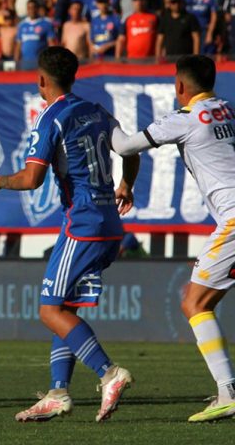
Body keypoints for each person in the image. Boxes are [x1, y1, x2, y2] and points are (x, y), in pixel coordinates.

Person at [0, 46, 139, 422]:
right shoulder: (97, 111)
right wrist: (126, 184)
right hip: (110, 225)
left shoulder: (52, 117)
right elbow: (131, 149)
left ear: (41, 80)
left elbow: (32, 178)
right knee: (64, 309)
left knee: (49, 309)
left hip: (81, 223)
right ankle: (58, 393)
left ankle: (109, 373)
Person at [110, 55, 235, 422]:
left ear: (180, 86)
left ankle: (228, 391)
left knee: (194, 303)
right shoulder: (227, 109)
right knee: (199, 302)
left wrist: (105, 120)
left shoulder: (184, 118)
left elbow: (125, 146)